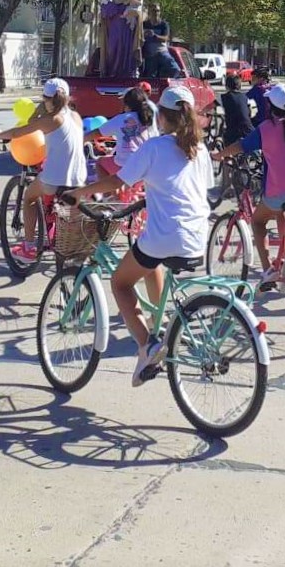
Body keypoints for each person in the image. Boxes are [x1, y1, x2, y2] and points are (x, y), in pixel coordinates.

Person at [63, 86, 213, 386]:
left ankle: (147, 345)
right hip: (198, 235)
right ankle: (160, 324)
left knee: (120, 282)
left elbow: (118, 179)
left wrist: (78, 194)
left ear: (164, 117)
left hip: (167, 235)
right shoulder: (199, 148)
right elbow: (192, 187)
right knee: (150, 262)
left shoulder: (154, 147)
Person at [215, 83, 285, 284]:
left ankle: (268, 270)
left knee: (258, 222)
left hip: (279, 190)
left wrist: (219, 155)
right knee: (281, 213)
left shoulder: (267, 128)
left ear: (271, 106)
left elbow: (241, 146)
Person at [0, 78, 87, 263]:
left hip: (54, 179)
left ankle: (28, 247)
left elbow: (19, 132)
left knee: (30, 198)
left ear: (46, 98)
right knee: (74, 216)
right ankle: (74, 251)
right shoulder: (75, 117)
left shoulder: (50, 120)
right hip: (79, 179)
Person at [87, 86, 157, 182]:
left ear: (126, 105)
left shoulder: (121, 119)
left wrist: (80, 139)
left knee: (100, 163)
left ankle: (110, 195)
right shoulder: (149, 120)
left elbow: (97, 133)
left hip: (123, 164)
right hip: (146, 167)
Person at [99, 0, 140, 77]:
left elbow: (138, 8)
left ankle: (127, 74)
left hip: (128, 27)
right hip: (115, 26)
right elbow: (105, 10)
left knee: (127, 50)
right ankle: (112, 73)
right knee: (113, 49)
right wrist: (117, 5)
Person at [139, 3, 180, 78]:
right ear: (149, 12)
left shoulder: (164, 24)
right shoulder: (144, 24)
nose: (156, 13)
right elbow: (139, 38)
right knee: (149, 76)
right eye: (154, 11)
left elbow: (166, 38)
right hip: (150, 55)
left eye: (158, 11)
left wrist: (154, 35)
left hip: (162, 52)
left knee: (175, 69)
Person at [220, 73, 254, 146]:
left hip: (233, 132)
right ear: (240, 86)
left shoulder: (223, 97)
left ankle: (227, 156)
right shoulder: (245, 97)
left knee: (227, 148)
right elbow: (250, 113)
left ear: (226, 86)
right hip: (249, 130)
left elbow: (210, 107)